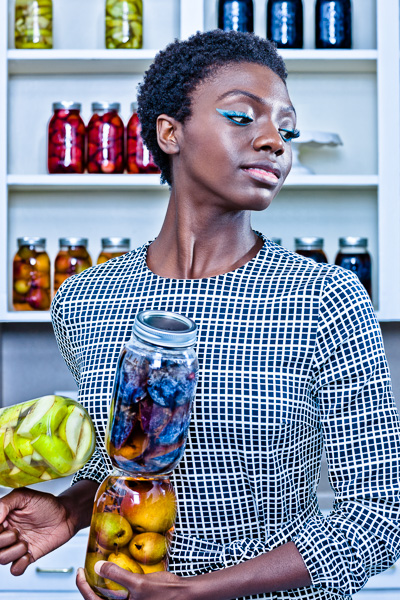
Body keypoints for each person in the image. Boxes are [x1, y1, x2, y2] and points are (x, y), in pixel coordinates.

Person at [1, 29, 400, 600]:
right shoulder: (86, 297)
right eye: (242, 116)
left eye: (285, 128)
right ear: (170, 132)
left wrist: (196, 591)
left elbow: (376, 518)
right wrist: (70, 511)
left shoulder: (323, 297)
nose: (273, 141)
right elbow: (130, 462)